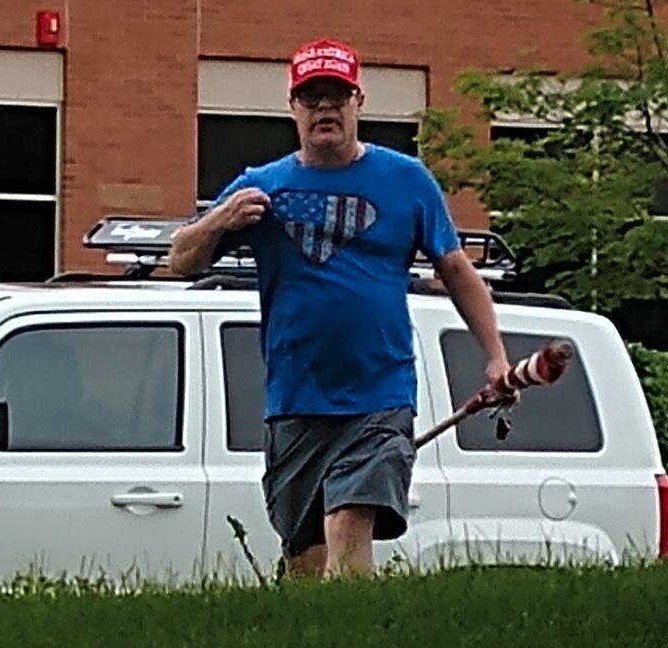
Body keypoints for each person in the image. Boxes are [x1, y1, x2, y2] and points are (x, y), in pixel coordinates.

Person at [168, 38, 511, 579]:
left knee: (349, 534)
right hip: (296, 401)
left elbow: (457, 271)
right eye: (310, 98)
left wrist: (495, 357)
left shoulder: (405, 180)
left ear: (358, 102)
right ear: (292, 109)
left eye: (336, 96)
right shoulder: (262, 186)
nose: (324, 108)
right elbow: (181, 260)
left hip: (379, 396)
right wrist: (221, 220)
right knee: (306, 565)